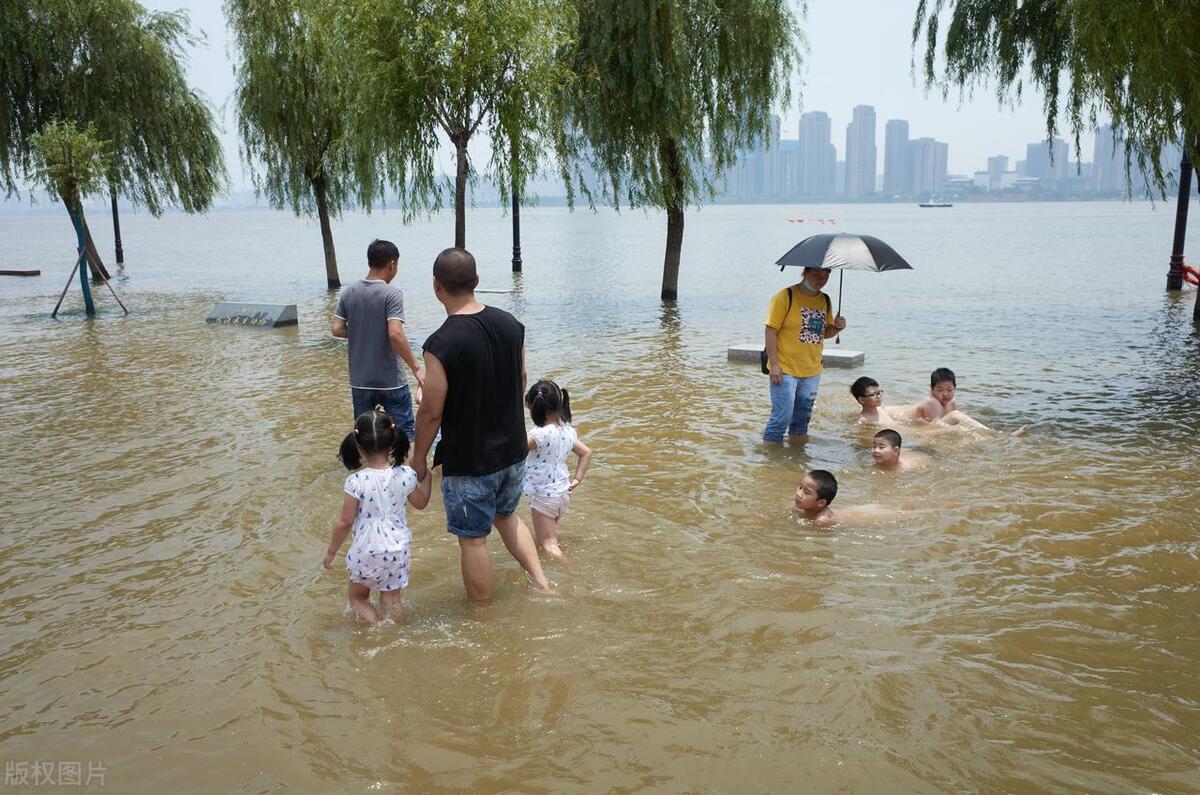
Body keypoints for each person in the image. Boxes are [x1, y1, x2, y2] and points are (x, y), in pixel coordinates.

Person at [411, 247, 552, 601]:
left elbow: (431, 412)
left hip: (470, 460)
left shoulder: (439, 344)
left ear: (436, 287)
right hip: (513, 452)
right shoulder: (511, 325)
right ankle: (543, 584)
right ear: (476, 281)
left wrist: (417, 460)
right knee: (507, 516)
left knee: (473, 540)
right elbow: (520, 379)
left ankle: (484, 620)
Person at [323, 407, 432, 624]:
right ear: (392, 444)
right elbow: (421, 503)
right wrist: (426, 476)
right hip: (397, 549)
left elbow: (345, 521)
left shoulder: (356, 482)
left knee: (357, 597)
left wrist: (331, 552)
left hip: (367, 550)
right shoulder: (405, 476)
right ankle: (391, 633)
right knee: (391, 601)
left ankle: (374, 626)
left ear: (358, 447)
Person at [331, 239, 424, 439]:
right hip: (390, 380)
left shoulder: (349, 292)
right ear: (392, 264)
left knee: (365, 434)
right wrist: (416, 367)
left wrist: (362, 331)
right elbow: (395, 334)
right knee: (404, 433)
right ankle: (404, 469)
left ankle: (367, 469)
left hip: (360, 381)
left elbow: (337, 329)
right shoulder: (392, 293)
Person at [763, 266, 847, 442]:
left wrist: (837, 327)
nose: (821, 277)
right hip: (784, 369)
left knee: (802, 420)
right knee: (781, 418)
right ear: (806, 272)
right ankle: (771, 461)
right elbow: (770, 330)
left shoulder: (825, 300)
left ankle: (797, 459)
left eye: (826, 274)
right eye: (817, 272)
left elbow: (823, 333)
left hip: (812, 370)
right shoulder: (786, 296)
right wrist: (775, 365)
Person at [522, 379, 593, 559]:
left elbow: (514, 452)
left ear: (534, 409)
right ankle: (551, 564)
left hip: (544, 497)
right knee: (548, 536)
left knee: (548, 544)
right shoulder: (568, 432)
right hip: (562, 493)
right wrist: (577, 480)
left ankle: (569, 574)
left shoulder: (538, 435)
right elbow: (586, 453)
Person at [913, 368, 1028, 435]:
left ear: (955, 388)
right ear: (931, 389)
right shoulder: (930, 402)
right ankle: (996, 435)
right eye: (940, 390)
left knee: (963, 428)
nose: (946, 394)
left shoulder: (950, 402)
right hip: (919, 428)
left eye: (949, 390)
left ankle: (995, 437)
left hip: (933, 427)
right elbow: (935, 429)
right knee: (956, 416)